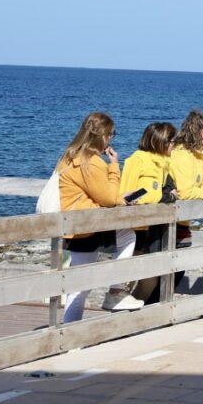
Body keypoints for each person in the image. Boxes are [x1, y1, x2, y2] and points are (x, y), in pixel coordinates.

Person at [56, 112, 142, 322]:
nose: (111, 138)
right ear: (103, 136)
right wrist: (113, 165)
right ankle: (115, 292)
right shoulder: (90, 162)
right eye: (111, 134)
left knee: (80, 285)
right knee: (80, 286)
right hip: (85, 226)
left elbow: (97, 193)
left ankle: (113, 292)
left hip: (75, 223)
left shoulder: (69, 156)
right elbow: (110, 198)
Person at [121, 122, 178, 305]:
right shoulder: (138, 159)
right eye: (172, 141)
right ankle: (119, 315)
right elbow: (127, 192)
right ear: (161, 141)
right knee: (129, 278)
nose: (175, 145)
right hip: (135, 228)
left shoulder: (166, 163)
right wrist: (163, 196)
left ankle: (131, 317)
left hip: (154, 228)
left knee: (151, 277)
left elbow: (172, 190)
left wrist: (166, 194)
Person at [168, 110, 203, 293]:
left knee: (177, 273)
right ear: (202, 132)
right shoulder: (181, 154)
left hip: (183, 222)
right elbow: (184, 191)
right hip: (169, 223)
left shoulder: (201, 154)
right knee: (163, 276)